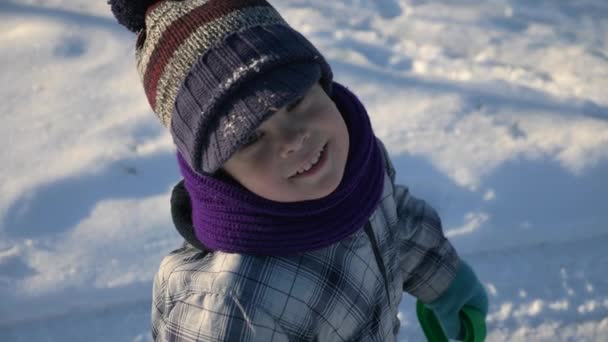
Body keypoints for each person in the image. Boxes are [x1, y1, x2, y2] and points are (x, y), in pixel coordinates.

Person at [108, 0, 489, 341]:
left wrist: (447, 282)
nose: (293, 140)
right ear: (219, 174)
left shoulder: (354, 160)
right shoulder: (232, 305)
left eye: (295, 102)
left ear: (321, 83)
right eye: (250, 138)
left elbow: (394, 216)